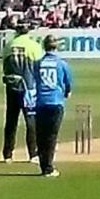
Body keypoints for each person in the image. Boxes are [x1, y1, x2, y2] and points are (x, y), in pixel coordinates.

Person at [29, 33, 74, 177]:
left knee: (41, 135)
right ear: (56, 47)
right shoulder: (62, 64)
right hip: (55, 102)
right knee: (51, 136)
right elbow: (68, 85)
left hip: (41, 102)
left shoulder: (38, 63)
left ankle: (44, 166)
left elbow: (35, 80)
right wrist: (66, 93)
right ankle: (48, 168)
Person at [1, 28, 45, 163]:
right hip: (28, 88)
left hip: (12, 87)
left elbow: (5, 64)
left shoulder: (9, 45)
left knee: (11, 121)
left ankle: (7, 154)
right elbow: (39, 66)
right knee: (31, 121)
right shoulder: (33, 46)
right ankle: (33, 154)